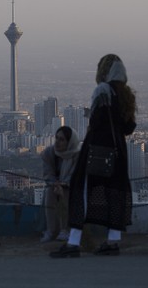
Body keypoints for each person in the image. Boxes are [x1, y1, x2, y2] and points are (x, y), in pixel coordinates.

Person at [50, 54, 137, 258]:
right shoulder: (125, 95)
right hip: (118, 151)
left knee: (82, 191)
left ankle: (73, 243)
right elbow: (129, 127)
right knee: (114, 193)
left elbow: (97, 120)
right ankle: (113, 241)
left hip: (96, 149)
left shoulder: (102, 91)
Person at [40, 126, 81, 243]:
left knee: (66, 193)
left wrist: (64, 184)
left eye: (62, 139)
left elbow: (76, 175)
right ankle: (51, 230)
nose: (57, 142)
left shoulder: (77, 155)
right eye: (56, 138)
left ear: (70, 142)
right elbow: (48, 173)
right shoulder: (49, 153)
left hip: (73, 187)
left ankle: (66, 230)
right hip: (55, 185)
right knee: (50, 192)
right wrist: (55, 183)